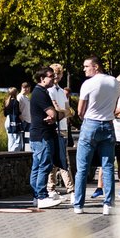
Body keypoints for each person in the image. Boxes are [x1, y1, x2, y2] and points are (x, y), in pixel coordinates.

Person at [72, 56, 119, 215]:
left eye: (87, 66)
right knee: (108, 166)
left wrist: (84, 117)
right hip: (108, 124)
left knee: (82, 167)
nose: (84, 69)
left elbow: (80, 110)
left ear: (96, 67)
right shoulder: (114, 82)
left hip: (91, 123)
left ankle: (79, 204)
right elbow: (115, 104)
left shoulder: (88, 84)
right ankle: (108, 204)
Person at [94, 74, 120, 201]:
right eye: (119, 85)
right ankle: (99, 188)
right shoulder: (107, 97)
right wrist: (119, 111)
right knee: (104, 163)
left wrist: (114, 113)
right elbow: (102, 112)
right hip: (108, 135)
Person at [29, 67, 64, 209]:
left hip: (38, 134)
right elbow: (53, 113)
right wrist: (60, 113)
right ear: (42, 78)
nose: (53, 78)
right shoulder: (40, 93)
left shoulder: (40, 92)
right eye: (50, 76)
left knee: (37, 166)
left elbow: (53, 114)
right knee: (44, 165)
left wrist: (55, 114)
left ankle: (36, 196)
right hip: (43, 135)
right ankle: (42, 196)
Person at [46, 63, 73, 196]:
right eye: (54, 73)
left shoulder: (61, 91)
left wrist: (64, 112)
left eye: (58, 73)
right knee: (60, 159)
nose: (56, 75)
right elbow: (58, 110)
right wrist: (64, 112)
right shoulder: (49, 91)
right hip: (54, 128)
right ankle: (69, 189)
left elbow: (68, 110)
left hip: (62, 127)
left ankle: (51, 188)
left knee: (59, 159)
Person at [4, 87, 23, 152]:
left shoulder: (6, 102)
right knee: (17, 140)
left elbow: (5, 114)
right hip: (14, 120)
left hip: (7, 120)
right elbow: (17, 113)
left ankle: (9, 153)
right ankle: (12, 153)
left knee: (10, 139)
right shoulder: (16, 102)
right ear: (16, 93)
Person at [18, 81, 32, 150]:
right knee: (22, 139)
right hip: (23, 121)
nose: (29, 90)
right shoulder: (19, 97)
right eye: (29, 89)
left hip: (28, 121)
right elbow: (18, 109)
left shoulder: (26, 97)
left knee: (27, 139)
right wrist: (22, 119)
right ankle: (22, 153)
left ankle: (26, 152)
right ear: (25, 88)